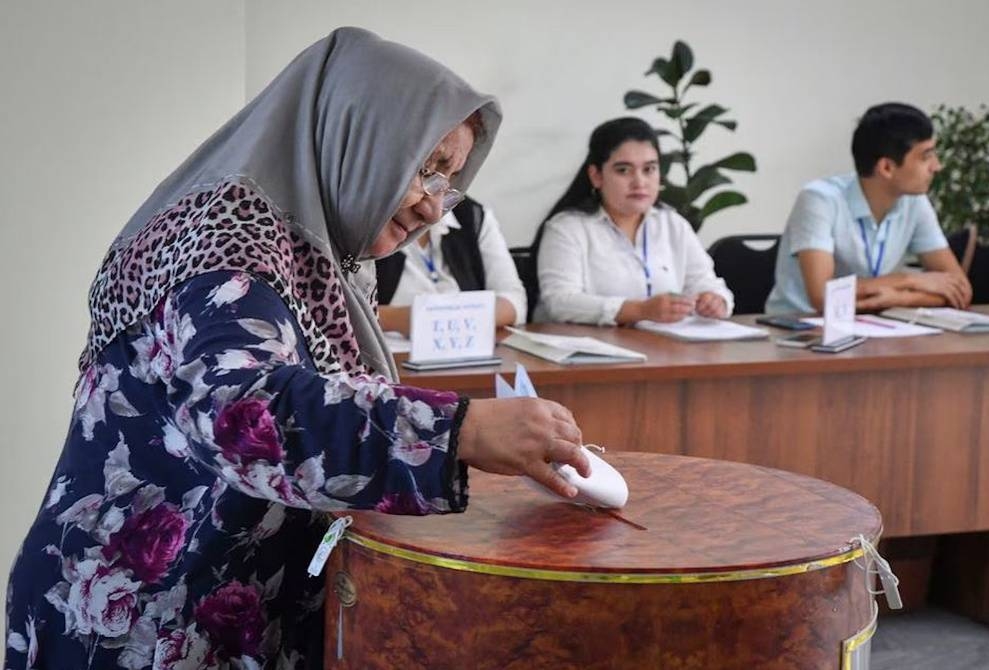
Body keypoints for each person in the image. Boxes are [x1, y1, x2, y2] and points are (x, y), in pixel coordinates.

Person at [4, 28, 589, 670]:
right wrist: (458, 431)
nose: (432, 207)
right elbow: (244, 413)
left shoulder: (317, 250)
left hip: (218, 608)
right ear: (356, 130)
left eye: (448, 183)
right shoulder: (226, 244)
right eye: (424, 168)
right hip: (137, 625)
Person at [765, 102, 972, 314]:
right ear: (886, 168)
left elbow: (960, 289)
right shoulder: (820, 199)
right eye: (925, 156)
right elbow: (824, 296)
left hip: (873, 326)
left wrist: (897, 298)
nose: (936, 166)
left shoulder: (914, 202)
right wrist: (909, 280)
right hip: (800, 328)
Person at [532, 117, 733, 326]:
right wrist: (640, 310)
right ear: (596, 176)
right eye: (624, 170)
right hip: (588, 352)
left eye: (649, 169)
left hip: (665, 351)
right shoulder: (567, 228)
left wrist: (715, 300)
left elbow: (707, 283)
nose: (639, 182)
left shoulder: (673, 225)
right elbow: (560, 302)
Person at [375, 196, 527, 334]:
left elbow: (515, 301)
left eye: (454, 173)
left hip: (463, 353)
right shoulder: (372, 219)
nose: (441, 185)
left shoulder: (471, 215)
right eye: (426, 172)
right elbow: (352, 313)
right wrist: (398, 319)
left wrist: (439, 317)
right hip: (384, 355)